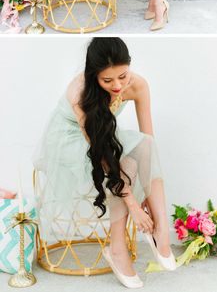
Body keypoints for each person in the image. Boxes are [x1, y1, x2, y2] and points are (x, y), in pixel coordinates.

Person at [33, 37, 176, 288]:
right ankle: (117, 249)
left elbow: (148, 139)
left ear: (129, 66)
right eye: (107, 81)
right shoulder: (80, 92)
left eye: (123, 76)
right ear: (94, 76)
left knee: (146, 146)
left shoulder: (139, 85)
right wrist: (132, 202)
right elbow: (101, 150)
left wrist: (148, 186)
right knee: (125, 165)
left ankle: (161, 230)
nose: (118, 85)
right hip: (69, 140)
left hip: (105, 138)